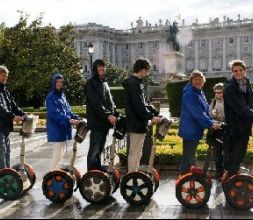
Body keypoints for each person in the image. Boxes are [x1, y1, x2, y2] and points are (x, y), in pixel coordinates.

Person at [178, 70, 220, 175]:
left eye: (200, 80)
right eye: (195, 80)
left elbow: (205, 110)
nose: (198, 82)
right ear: (191, 81)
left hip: (194, 129)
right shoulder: (190, 94)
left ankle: (186, 179)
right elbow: (197, 113)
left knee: (190, 155)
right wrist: (210, 124)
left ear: (203, 82)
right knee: (188, 156)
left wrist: (211, 118)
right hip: (190, 129)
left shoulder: (199, 92)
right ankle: (184, 180)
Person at [123, 59, 161, 173]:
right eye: (147, 71)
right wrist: (150, 116)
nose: (147, 73)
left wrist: (152, 110)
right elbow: (138, 105)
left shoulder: (136, 82)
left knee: (137, 152)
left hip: (138, 123)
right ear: (143, 69)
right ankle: (131, 175)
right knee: (134, 152)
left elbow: (142, 103)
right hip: (136, 123)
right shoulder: (134, 83)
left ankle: (133, 173)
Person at [223, 60, 253, 180]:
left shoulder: (246, 84)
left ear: (244, 71)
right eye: (235, 71)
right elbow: (241, 108)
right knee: (235, 158)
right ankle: (229, 188)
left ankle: (232, 183)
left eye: (240, 70)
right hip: (235, 128)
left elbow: (250, 103)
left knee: (240, 156)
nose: (238, 72)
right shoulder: (230, 88)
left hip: (245, 126)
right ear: (232, 73)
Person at [85, 60, 117, 171]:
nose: (101, 69)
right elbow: (95, 103)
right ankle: (91, 174)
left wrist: (114, 112)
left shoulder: (104, 83)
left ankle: (96, 171)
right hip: (96, 122)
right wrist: (108, 115)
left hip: (104, 122)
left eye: (103, 67)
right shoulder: (91, 82)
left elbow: (109, 101)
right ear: (95, 68)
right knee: (94, 150)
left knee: (100, 149)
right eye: (99, 67)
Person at [46, 73, 80, 170]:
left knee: (61, 154)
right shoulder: (50, 97)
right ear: (54, 82)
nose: (59, 84)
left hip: (63, 129)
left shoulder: (62, 96)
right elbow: (54, 114)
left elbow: (68, 111)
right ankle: (50, 178)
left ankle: (56, 175)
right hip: (56, 130)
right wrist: (69, 120)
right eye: (57, 81)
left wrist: (76, 117)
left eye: (61, 82)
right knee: (57, 155)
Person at [0, 65, 24, 169]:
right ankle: (3, 179)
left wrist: (24, 114)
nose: (6, 78)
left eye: (6, 76)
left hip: (5, 128)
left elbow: (13, 105)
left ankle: (7, 178)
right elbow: (1, 108)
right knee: (1, 155)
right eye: (3, 75)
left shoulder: (5, 90)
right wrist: (13, 116)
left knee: (6, 153)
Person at [207, 83, 226, 178]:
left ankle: (228, 173)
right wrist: (212, 115)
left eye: (220, 92)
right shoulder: (213, 102)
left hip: (226, 130)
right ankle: (219, 173)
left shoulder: (229, 101)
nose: (218, 94)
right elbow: (209, 114)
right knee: (217, 153)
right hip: (216, 131)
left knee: (227, 153)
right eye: (216, 93)